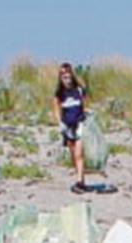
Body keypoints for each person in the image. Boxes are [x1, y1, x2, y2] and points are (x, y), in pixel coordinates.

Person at [53, 63, 91, 193]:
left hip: (79, 124)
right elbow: (56, 108)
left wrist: (87, 117)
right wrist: (60, 124)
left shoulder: (79, 90)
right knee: (73, 155)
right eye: (63, 75)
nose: (66, 77)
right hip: (67, 127)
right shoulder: (59, 93)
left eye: (68, 74)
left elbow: (85, 105)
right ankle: (82, 180)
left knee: (79, 154)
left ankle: (79, 182)